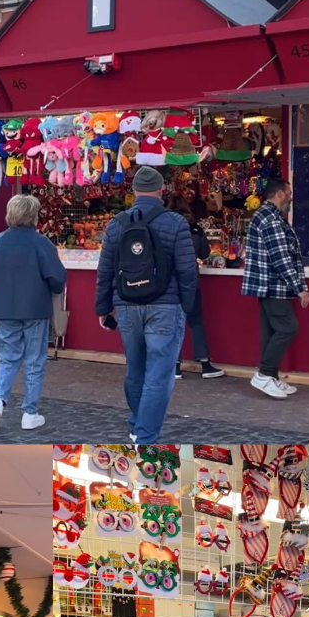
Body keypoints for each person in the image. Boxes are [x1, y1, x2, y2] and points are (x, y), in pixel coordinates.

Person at [95, 166, 197, 443]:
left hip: (126, 305)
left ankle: (137, 421)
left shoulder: (117, 223)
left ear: (134, 191)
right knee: (159, 373)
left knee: (135, 367)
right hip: (166, 306)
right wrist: (186, 305)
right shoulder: (176, 222)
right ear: (162, 190)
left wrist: (103, 308)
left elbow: (105, 270)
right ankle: (145, 434)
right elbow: (187, 270)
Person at [0, 193, 66, 433]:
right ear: (34, 216)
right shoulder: (41, 243)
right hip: (34, 308)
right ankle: (29, 412)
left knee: (7, 357)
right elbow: (57, 278)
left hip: (5, 308)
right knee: (34, 361)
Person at [240, 177, 309, 399]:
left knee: (271, 331)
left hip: (268, 286)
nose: (290, 197)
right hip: (274, 285)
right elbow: (280, 257)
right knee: (288, 328)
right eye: (288, 193)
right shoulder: (271, 219)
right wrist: (299, 287)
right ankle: (264, 374)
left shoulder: (267, 216)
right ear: (279, 194)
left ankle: (270, 376)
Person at [168, 196, 224, 380]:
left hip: (170, 280)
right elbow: (205, 253)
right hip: (191, 279)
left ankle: (175, 366)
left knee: (174, 323)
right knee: (196, 321)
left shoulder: (164, 227)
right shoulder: (195, 228)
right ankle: (205, 364)